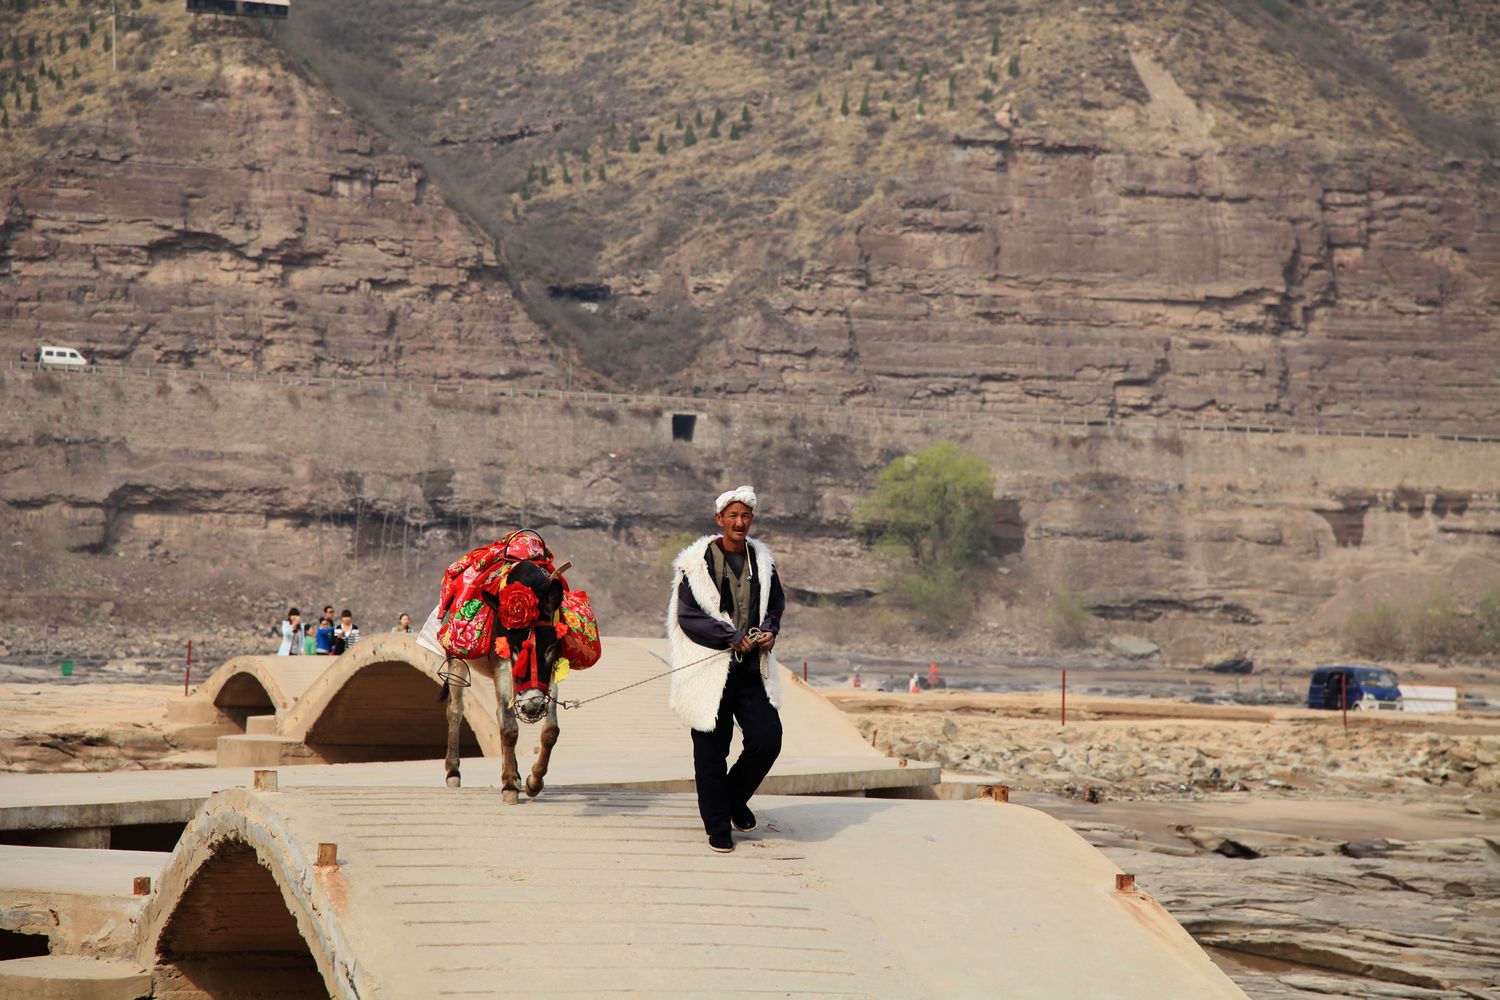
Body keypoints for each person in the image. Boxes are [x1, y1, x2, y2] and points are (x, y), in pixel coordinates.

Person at [667, 485, 785, 854]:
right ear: (719, 519)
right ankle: (718, 824)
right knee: (711, 749)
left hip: (751, 670)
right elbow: (688, 616)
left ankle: (732, 799)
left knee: (768, 739)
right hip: (709, 671)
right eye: (732, 516)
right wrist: (730, 636)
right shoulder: (695, 564)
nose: (739, 522)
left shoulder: (762, 563)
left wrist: (769, 631)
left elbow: (775, 605)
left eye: (745, 516)